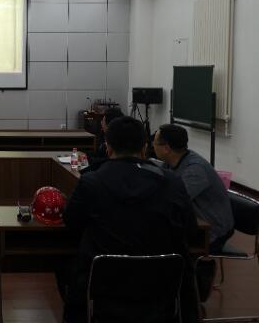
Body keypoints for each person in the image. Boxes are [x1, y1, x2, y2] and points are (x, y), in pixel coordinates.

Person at [58, 116, 199, 322]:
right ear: (144, 149)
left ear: (108, 148)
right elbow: (191, 229)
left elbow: (72, 223)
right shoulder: (172, 182)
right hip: (160, 287)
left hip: (104, 285)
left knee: (63, 262)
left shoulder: (91, 182)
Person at [153, 124, 234, 253]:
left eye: (154, 142)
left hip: (212, 230)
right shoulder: (170, 162)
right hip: (195, 220)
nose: (152, 145)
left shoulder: (195, 170)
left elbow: (173, 202)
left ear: (166, 148)